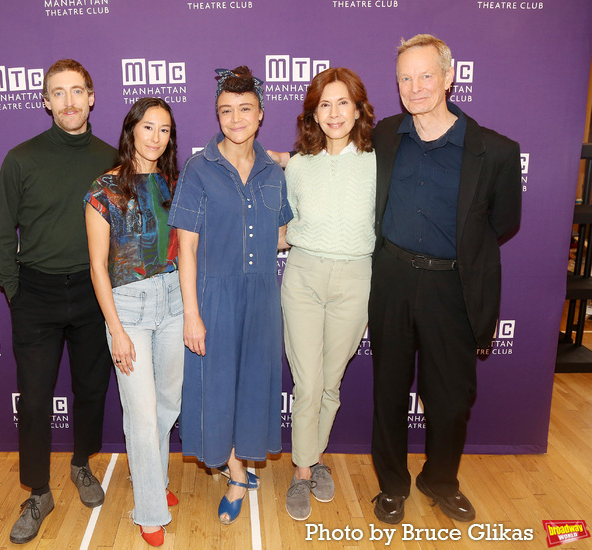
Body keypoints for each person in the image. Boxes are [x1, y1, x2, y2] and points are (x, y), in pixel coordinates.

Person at [369, 35, 522, 524]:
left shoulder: (494, 151)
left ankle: (440, 480)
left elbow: (503, 222)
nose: (415, 87)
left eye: (425, 75)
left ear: (449, 77)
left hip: (451, 289)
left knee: (451, 399)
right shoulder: (383, 135)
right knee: (389, 392)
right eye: (405, 78)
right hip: (390, 279)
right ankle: (392, 484)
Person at [0, 59, 116, 544]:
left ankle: (82, 464)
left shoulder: (110, 158)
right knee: (37, 397)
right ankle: (38, 491)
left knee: (91, 387)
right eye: (58, 93)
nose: (68, 101)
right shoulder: (20, 159)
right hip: (36, 294)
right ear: (45, 101)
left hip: (92, 292)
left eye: (77, 91)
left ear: (91, 97)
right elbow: (4, 231)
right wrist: (15, 289)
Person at [168, 66, 293, 525]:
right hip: (214, 297)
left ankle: (241, 460)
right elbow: (187, 248)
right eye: (226, 110)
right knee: (218, 388)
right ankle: (237, 473)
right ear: (217, 116)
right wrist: (192, 314)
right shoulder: (199, 169)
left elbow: (281, 236)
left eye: (245, 109)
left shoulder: (272, 170)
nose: (236, 118)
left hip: (262, 297)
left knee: (254, 386)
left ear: (260, 114)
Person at [84, 97, 183, 548]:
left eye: (164, 130)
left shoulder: (173, 183)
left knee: (166, 406)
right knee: (141, 416)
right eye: (148, 127)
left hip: (173, 300)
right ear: (131, 131)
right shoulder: (103, 190)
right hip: (129, 310)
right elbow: (98, 268)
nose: (156, 137)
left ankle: (155, 480)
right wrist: (117, 330)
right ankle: (148, 509)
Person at [280, 67, 376, 521]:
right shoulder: (297, 165)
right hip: (303, 276)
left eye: (342, 103)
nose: (334, 113)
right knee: (308, 382)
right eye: (324, 105)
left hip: (356, 278)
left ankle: (314, 457)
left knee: (331, 383)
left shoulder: (379, 161)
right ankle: (303, 471)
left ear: (357, 109)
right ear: (312, 115)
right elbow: (283, 231)